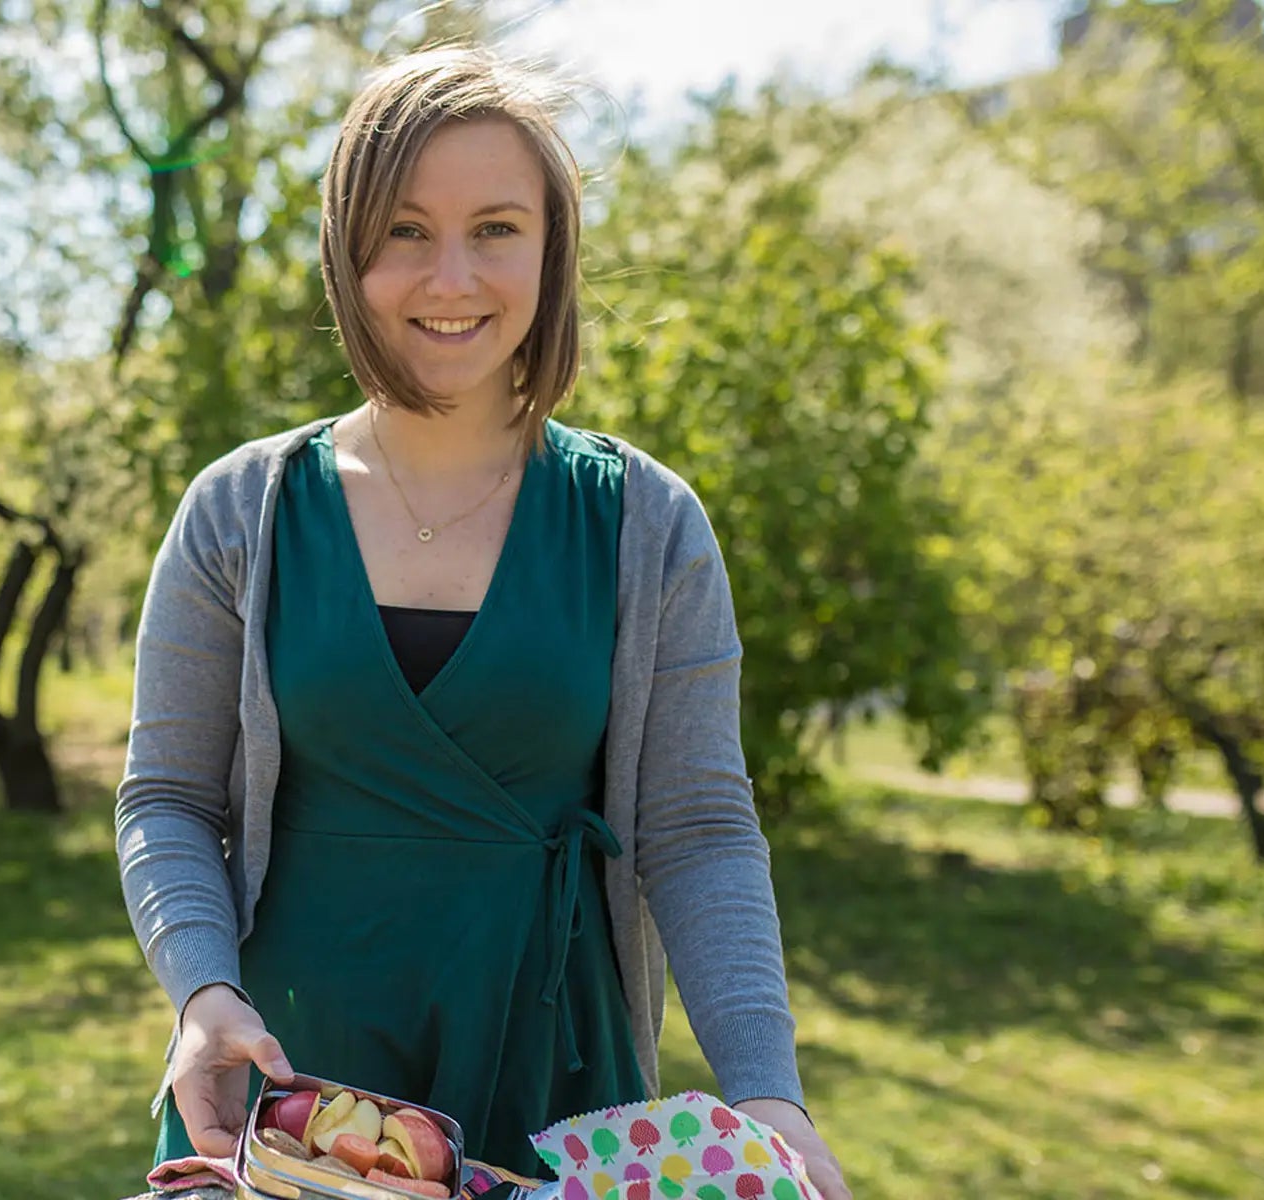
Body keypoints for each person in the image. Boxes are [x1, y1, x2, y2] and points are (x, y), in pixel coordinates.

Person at [114, 45, 852, 1200]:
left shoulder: (645, 522)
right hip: (293, 1094)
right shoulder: (238, 513)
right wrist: (202, 993)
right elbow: (167, 796)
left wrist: (765, 1093)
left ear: (551, 250)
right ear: (344, 252)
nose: (449, 277)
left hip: (551, 1075)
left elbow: (698, 829)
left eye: (495, 228)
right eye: (404, 231)